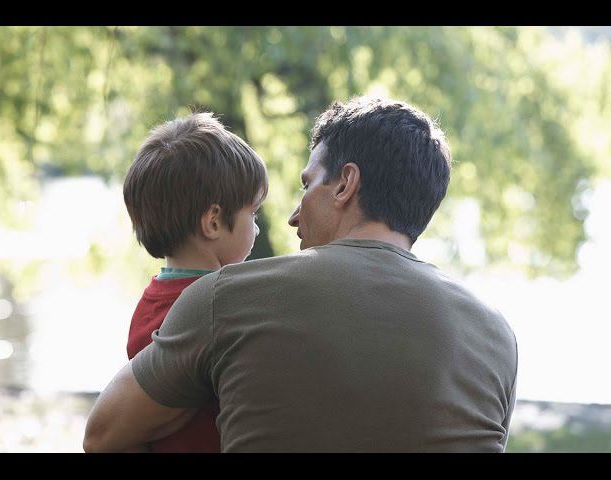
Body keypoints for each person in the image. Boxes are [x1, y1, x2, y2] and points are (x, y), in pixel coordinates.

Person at [84, 96, 518, 453]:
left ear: (345, 184)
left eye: (307, 185)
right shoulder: (496, 336)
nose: (293, 216)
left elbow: (101, 437)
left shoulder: (227, 299)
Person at [118, 112, 268, 452]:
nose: (257, 228)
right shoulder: (225, 308)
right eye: (252, 213)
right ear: (213, 222)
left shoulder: (148, 305)